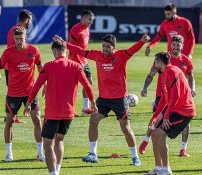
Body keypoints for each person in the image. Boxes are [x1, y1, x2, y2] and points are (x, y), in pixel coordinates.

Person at [53, 32, 150, 166]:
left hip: (119, 99)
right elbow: (80, 51)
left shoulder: (121, 55)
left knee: (125, 128)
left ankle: (135, 157)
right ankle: (93, 153)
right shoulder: (97, 55)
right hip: (104, 99)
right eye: (103, 46)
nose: (104, 49)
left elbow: (133, 49)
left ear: (113, 47)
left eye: (107, 47)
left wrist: (142, 41)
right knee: (93, 120)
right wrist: (65, 43)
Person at [24, 40, 97, 175]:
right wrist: (92, 101)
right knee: (59, 140)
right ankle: (57, 170)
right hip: (68, 113)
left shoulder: (50, 66)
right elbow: (87, 85)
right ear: (66, 51)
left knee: (47, 143)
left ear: (55, 51)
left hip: (53, 113)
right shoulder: (76, 66)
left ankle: (53, 173)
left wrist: (28, 103)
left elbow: (36, 86)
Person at [0, 27, 44, 162]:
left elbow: (41, 67)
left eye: (20, 39)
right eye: (16, 39)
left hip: (30, 92)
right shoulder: (8, 53)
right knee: (9, 121)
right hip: (13, 93)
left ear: (25, 38)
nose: (18, 41)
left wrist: (45, 84)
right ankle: (9, 154)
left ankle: (40, 153)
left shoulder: (34, 50)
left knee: (37, 119)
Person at [139, 35, 195, 157]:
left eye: (177, 45)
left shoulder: (186, 61)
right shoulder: (163, 59)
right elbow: (151, 74)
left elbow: (190, 76)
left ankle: (182, 149)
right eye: (173, 45)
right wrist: (145, 88)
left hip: (178, 98)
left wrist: (192, 89)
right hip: (162, 95)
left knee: (185, 123)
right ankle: (146, 140)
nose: (175, 47)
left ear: (182, 46)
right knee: (157, 118)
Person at [143, 52, 196, 175]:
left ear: (160, 63)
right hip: (176, 109)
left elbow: (176, 96)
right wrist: (155, 117)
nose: (154, 64)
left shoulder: (172, 72)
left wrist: (166, 116)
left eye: (155, 62)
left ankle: (166, 170)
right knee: (155, 134)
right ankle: (158, 168)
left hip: (184, 111)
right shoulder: (165, 73)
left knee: (159, 134)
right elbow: (164, 98)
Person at [6, 9, 33, 123]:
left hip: (10, 66)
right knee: (14, 91)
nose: (30, 23)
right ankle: (12, 115)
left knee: (12, 90)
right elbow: (14, 51)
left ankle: (10, 115)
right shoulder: (17, 31)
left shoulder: (14, 29)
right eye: (30, 20)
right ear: (26, 20)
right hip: (13, 67)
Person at [69, 9, 95, 115]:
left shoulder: (86, 29)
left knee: (89, 83)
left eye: (92, 20)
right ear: (83, 18)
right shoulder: (75, 30)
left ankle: (85, 108)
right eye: (89, 19)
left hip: (84, 61)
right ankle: (70, 109)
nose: (91, 22)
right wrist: (80, 63)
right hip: (75, 61)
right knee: (72, 86)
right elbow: (72, 49)